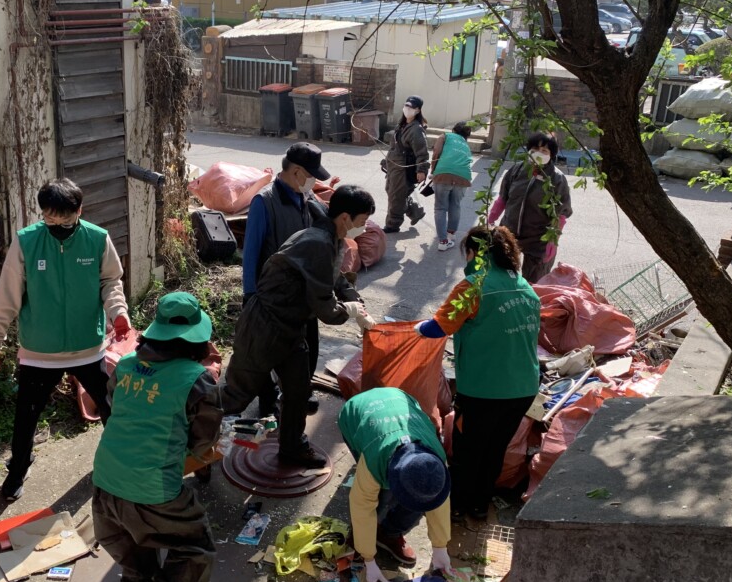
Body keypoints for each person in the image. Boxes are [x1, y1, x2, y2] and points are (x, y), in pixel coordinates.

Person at [91, 292, 222, 582]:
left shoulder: (128, 364)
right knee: (195, 549)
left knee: (139, 551)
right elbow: (202, 445)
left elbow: (122, 411)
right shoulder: (198, 380)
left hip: (103, 487)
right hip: (153, 492)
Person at [0, 178, 129, 500]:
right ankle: (18, 471)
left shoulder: (97, 239)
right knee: (26, 417)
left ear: (79, 210)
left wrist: (118, 312)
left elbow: (111, 281)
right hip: (39, 351)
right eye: (50, 218)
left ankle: (120, 463)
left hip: (88, 347)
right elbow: (7, 296)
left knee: (111, 408)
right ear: (43, 213)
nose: (58, 224)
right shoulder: (26, 242)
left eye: (65, 218)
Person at [223, 185, 378, 468]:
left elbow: (334, 276)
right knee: (235, 395)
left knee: (297, 391)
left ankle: (292, 447)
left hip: (290, 329)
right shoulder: (317, 241)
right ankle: (190, 440)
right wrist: (351, 311)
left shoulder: (330, 236)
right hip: (263, 328)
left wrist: (356, 302)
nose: (364, 227)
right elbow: (326, 309)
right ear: (345, 217)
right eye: (362, 221)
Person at [415, 226, 541, 525]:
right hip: (522, 388)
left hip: (484, 390)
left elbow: (437, 328)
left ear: (474, 253)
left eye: (467, 253)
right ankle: (480, 506)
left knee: (468, 450)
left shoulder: (473, 287)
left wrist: (411, 329)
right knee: (495, 449)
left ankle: (457, 506)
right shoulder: (525, 286)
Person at [242, 141, 330, 417]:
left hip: (304, 295)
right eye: (311, 175)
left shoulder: (308, 199)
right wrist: (250, 295)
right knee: (271, 352)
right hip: (274, 297)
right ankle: (269, 401)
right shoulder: (264, 202)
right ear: (297, 172)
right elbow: (251, 253)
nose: (314, 181)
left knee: (307, 347)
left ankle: (299, 393)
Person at [338, 388, 452, 582]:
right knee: (379, 500)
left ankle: (388, 533)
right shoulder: (374, 461)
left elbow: (439, 503)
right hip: (358, 413)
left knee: (421, 497)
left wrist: (440, 547)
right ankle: (361, 540)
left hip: (399, 398)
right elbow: (362, 507)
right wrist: (369, 559)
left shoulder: (436, 462)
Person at [487, 132, 573, 282]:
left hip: (538, 239)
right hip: (509, 232)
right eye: (535, 149)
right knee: (502, 276)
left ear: (551, 155)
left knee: (533, 283)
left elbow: (561, 214)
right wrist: (492, 218)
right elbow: (503, 198)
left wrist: (553, 240)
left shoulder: (557, 179)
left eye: (544, 151)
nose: (539, 153)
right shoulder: (517, 170)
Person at [382, 95, 430, 233]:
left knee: (396, 196)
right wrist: (387, 161)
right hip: (393, 165)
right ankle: (414, 211)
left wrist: (422, 170)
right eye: (406, 106)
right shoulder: (402, 125)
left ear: (418, 110)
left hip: (403, 168)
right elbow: (394, 146)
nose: (407, 109)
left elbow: (422, 152)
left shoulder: (416, 129)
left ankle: (393, 224)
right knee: (391, 191)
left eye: (411, 107)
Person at [428, 121, 474, 252]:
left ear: (454, 130)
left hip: (443, 174)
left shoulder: (445, 136)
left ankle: (443, 241)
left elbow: (436, 152)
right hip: (463, 177)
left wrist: (433, 172)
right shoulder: (465, 144)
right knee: (455, 205)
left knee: (440, 208)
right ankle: (451, 235)